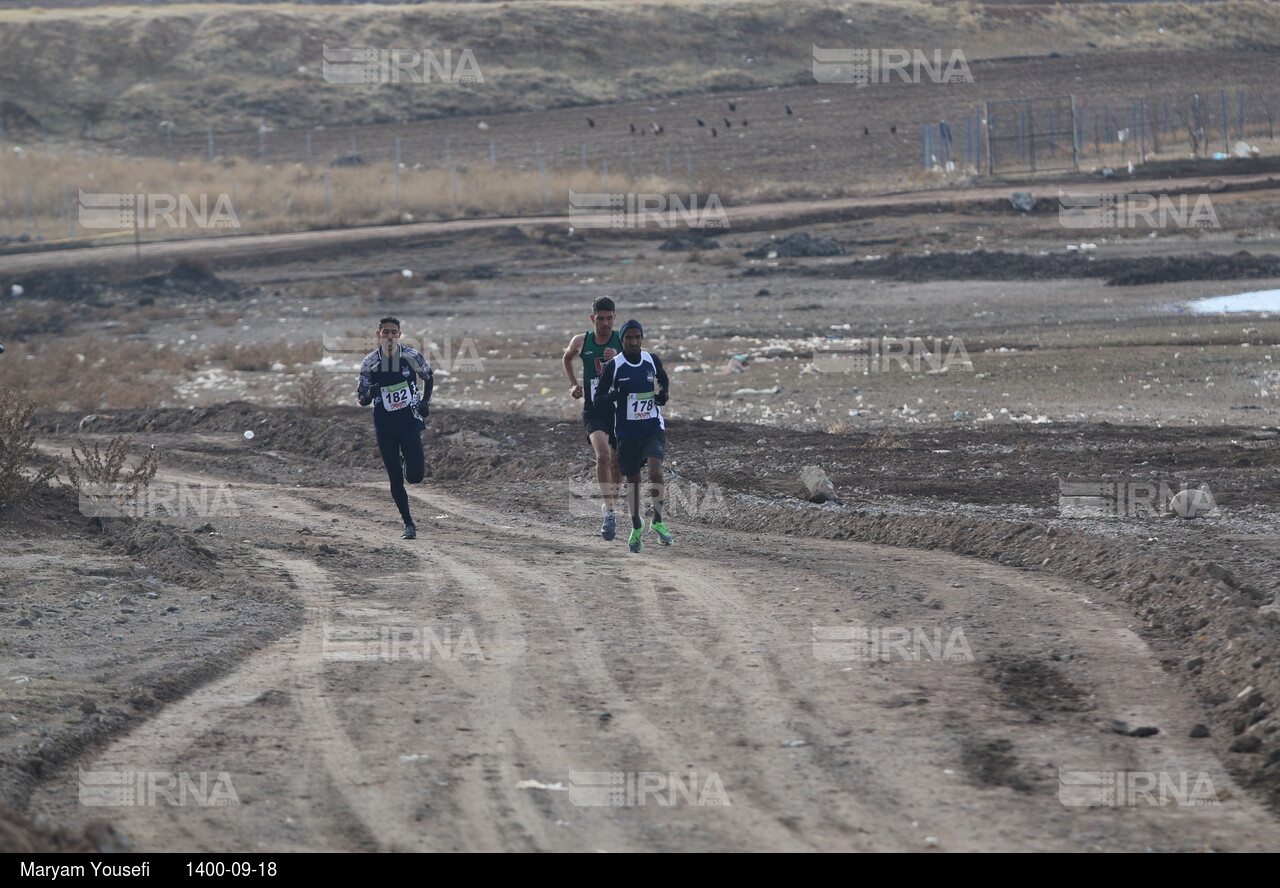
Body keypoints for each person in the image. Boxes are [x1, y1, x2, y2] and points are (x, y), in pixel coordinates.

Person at [593, 319, 671, 553]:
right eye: (629, 338)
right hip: (626, 434)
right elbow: (598, 400)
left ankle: (657, 520)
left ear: (642, 339)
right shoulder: (614, 366)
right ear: (622, 340)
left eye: (638, 337)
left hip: (652, 428)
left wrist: (663, 393)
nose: (634, 342)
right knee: (634, 482)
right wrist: (616, 394)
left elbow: (663, 378)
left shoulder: (651, 359)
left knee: (656, 471)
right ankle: (637, 525)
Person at [357, 316, 433, 539]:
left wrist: (425, 402)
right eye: (385, 332)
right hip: (385, 426)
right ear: (378, 335)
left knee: (416, 477)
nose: (389, 336)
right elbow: (362, 398)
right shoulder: (370, 362)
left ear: (399, 335)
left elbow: (428, 377)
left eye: (394, 332)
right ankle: (408, 524)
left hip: (409, 422)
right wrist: (372, 391)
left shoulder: (411, 356)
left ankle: (404, 458)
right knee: (395, 479)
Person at [562, 296, 624, 540]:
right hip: (594, 408)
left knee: (618, 465)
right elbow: (566, 358)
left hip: (619, 410)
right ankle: (609, 511)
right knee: (603, 456)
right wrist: (573, 384)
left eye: (609, 318)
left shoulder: (622, 340)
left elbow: (637, 366)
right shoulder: (581, 341)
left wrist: (616, 360)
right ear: (592, 318)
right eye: (601, 318)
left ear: (614, 318)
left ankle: (612, 505)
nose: (606, 323)